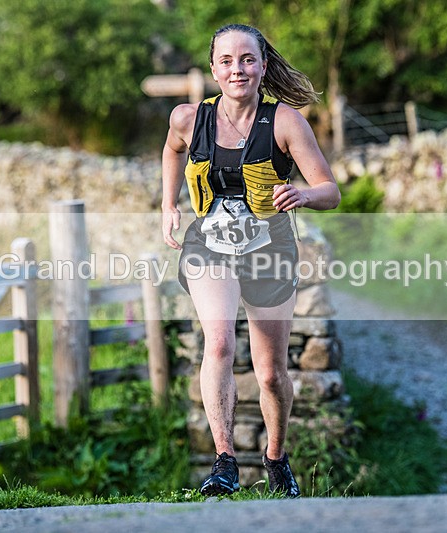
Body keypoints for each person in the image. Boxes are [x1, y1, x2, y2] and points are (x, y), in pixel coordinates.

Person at [160, 23, 340, 498]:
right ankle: (224, 463)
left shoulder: (285, 123)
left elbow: (331, 191)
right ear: (214, 69)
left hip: (269, 250)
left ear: (262, 65)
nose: (237, 69)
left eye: (246, 59)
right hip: (210, 247)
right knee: (217, 343)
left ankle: (276, 459)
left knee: (270, 373)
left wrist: (302, 193)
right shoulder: (188, 117)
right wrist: (168, 203)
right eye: (226, 61)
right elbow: (173, 149)